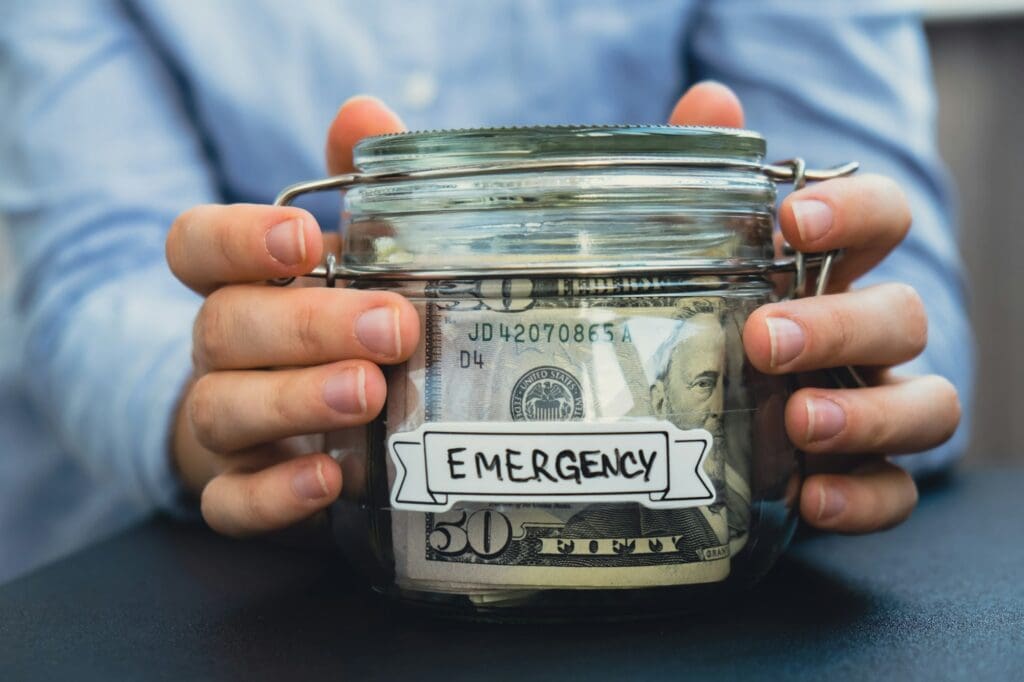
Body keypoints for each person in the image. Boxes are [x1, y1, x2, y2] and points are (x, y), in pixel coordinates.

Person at [0, 2, 967, 582]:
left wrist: (844, 360)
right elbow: (93, 266)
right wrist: (246, 405)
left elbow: (896, 271)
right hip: (171, 568)